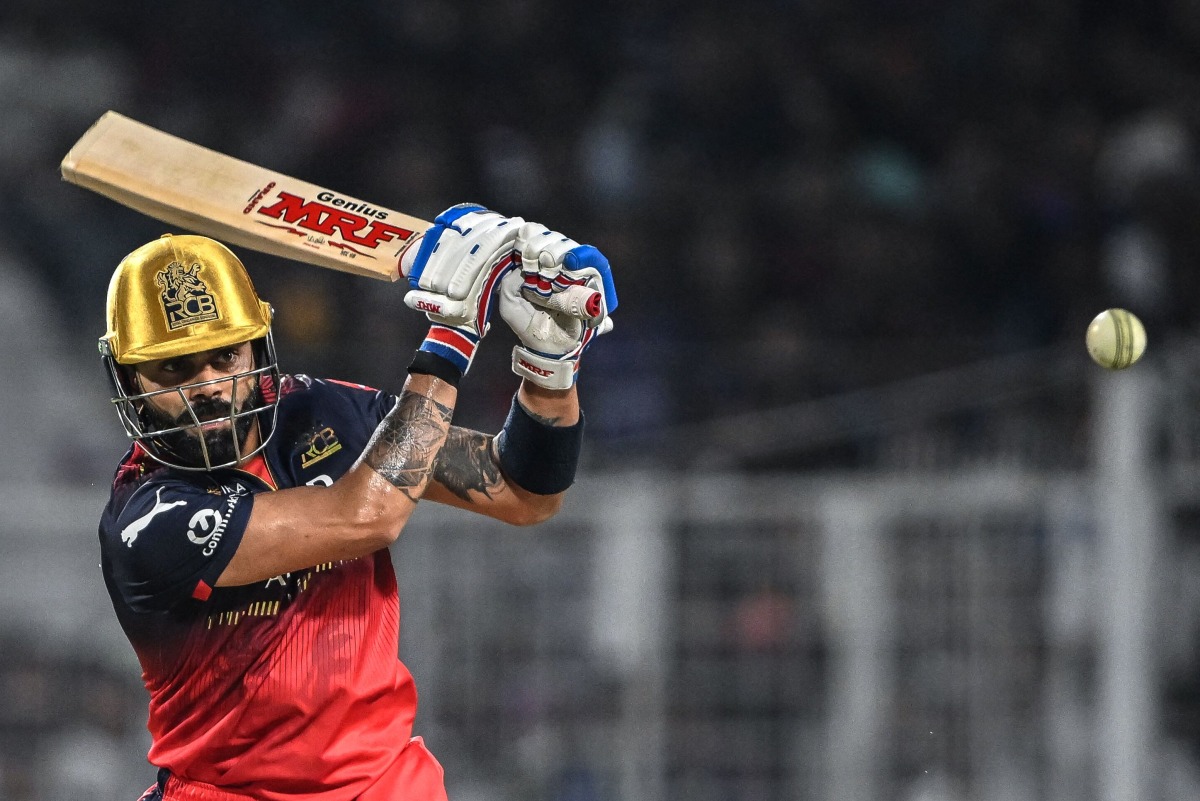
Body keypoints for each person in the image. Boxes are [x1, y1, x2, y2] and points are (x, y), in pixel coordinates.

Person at [95, 204, 617, 801]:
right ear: (130, 380)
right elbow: (368, 514)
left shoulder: (325, 412)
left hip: (388, 786)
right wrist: (452, 331)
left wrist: (549, 371)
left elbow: (524, 492)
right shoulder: (146, 519)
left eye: (225, 357)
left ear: (258, 346)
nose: (208, 387)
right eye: (173, 370)